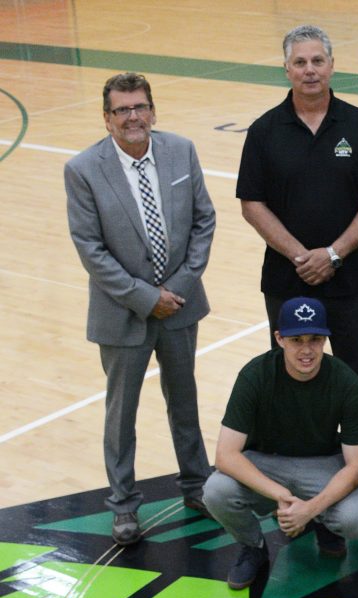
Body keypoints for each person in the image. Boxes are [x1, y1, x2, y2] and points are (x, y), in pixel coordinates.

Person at [65, 72, 215, 546]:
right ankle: (124, 505)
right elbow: (90, 249)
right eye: (122, 110)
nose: (133, 117)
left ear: (153, 109)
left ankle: (196, 485)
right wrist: (148, 298)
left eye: (140, 107)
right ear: (106, 118)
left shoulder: (180, 150)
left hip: (181, 305)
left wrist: (178, 287)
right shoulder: (83, 169)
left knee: (184, 402)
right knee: (121, 413)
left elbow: (203, 221)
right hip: (122, 313)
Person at [236, 24, 358, 462]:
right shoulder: (265, 130)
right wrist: (301, 256)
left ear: (332, 66)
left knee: (356, 370)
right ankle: (290, 456)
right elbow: (252, 203)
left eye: (317, 61)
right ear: (286, 69)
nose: (309, 70)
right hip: (287, 276)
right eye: (300, 62)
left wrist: (335, 253)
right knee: (287, 370)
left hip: (351, 277)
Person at [203, 297, 358, 590]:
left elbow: (356, 467)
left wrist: (309, 509)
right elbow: (225, 455)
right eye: (296, 340)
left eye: (315, 339)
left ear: (325, 339)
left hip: (323, 465)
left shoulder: (345, 381)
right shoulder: (255, 375)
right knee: (216, 491)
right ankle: (252, 546)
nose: (306, 350)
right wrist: (280, 494)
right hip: (268, 462)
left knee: (355, 521)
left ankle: (321, 522)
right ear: (279, 338)